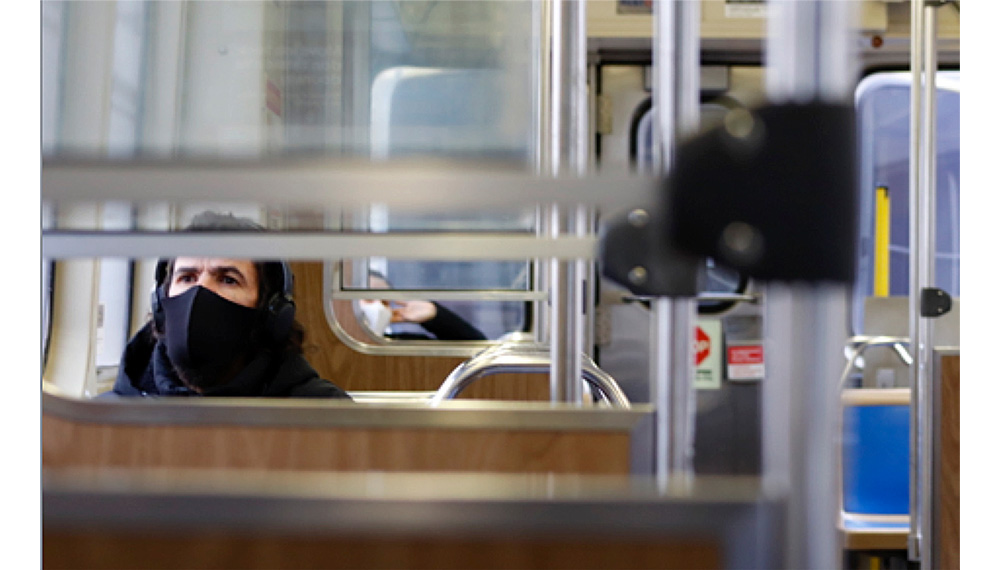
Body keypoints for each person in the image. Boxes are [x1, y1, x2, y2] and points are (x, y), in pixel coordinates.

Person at [104, 212, 352, 399]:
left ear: (271, 313)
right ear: (160, 305)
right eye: (187, 277)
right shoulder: (97, 424)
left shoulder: (329, 420)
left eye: (227, 279)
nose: (199, 293)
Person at [361, 271, 487, 341]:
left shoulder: (399, 345)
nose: (377, 306)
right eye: (369, 298)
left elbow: (476, 348)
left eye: (384, 302)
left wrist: (436, 316)